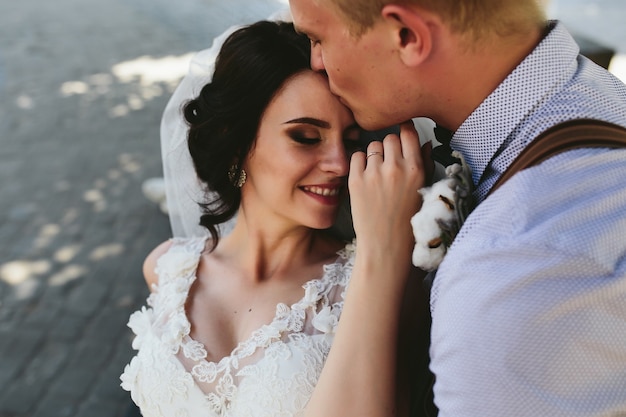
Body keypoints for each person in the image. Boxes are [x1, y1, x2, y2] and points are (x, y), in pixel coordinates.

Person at [288, 1, 626, 416]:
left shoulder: (509, 273)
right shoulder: (601, 96)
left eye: (316, 38)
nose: (315, 61)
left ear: (407, 36)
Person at [120, 20, 432, 417]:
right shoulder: (166, 268)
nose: (339, 163)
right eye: (305, 137)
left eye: (351, 142)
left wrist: (383, 250)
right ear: (237, 144)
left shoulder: (378, 281)